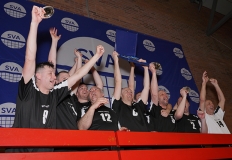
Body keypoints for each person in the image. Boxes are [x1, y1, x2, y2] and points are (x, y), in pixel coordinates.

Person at [10, 6, 105, 152]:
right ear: (38, 76)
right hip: (20, 154)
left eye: (54, 74)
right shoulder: (28, 90)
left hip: (47, 155)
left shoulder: (55, 93)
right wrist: (34, 23)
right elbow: (30, 58)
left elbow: (78, 75)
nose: (54, 77)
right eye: (50, 73)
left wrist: (96, 57)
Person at [111, 52, 150, 132]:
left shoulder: (138, 106)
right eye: (126, 91)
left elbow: (146, 88)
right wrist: (116, 60)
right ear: (121, 95)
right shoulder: (118, 105)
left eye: (131, 92)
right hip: (127, 139)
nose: (129, 92)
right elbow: (118, 81)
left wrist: (146, 69)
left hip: (144, 140)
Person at [148, 62, 175, 132]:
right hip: (160, 140)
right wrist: (154, 73)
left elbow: (171, 105)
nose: (165, 95)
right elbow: (154, 94)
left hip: (174, 141)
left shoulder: (172, 110)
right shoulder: (155, 108)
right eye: (162, 94)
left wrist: (168, 110)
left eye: (166, 94)